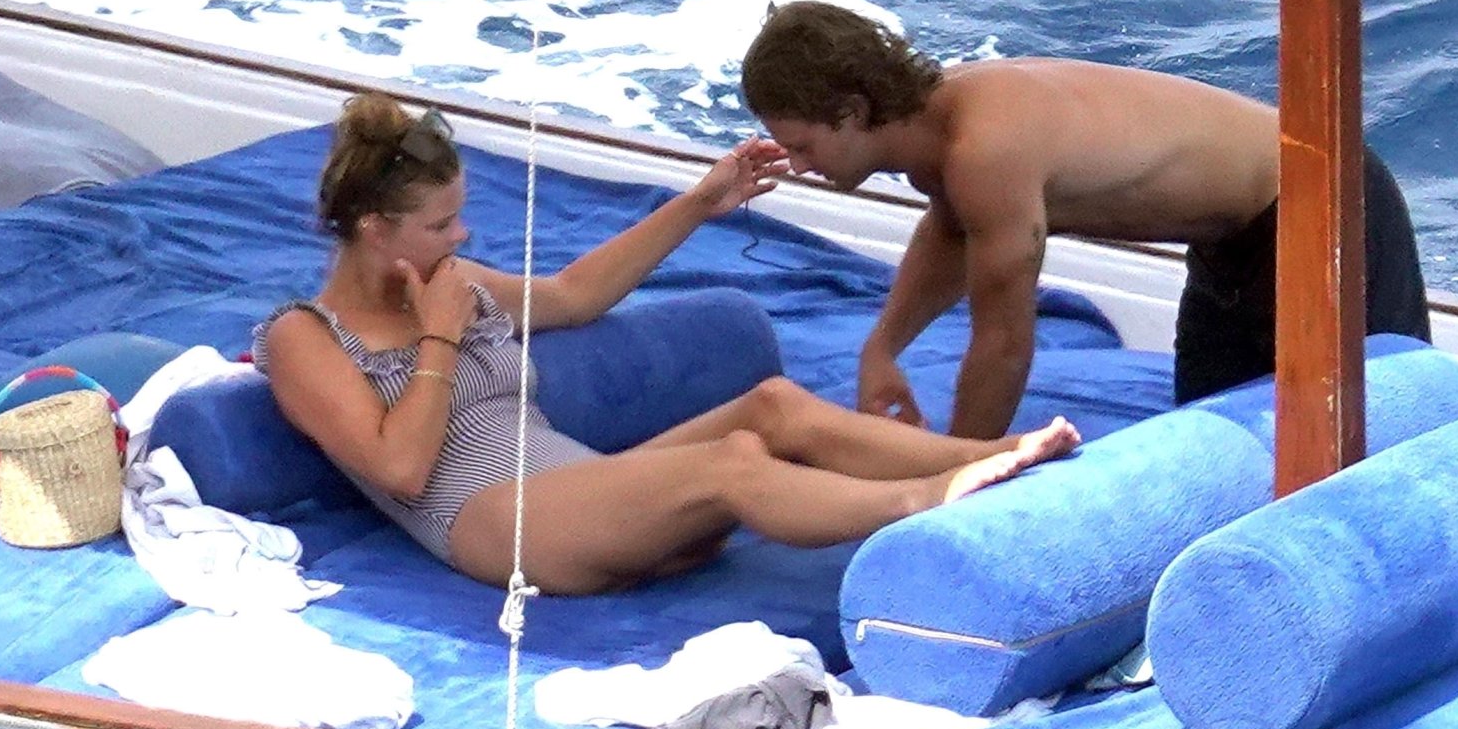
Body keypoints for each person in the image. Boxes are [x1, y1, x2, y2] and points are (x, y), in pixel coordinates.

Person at [255, 93, 1081, 596]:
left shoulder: (454, 279)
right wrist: (439, 335)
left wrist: (700, 202)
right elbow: (400, 470)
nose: (461, 236)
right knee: (731, 464)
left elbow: (574, 296)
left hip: (580, 487)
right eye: (441, 225)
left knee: (773, 407)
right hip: (493, 525)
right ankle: (925, 501)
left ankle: (992, 455)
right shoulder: (303, 337)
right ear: (374, 229)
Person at [739, 0, 1431, 435]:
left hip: (1324, 198)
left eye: (802, 146)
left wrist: (954, 478)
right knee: (1214, 440)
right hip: (1231, 244)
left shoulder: (985, 149)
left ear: (853, 113)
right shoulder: (938, 131)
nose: (796, 165)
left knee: (1376, 437)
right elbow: (950, 229)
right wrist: (882, 349)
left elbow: (1004, 345)